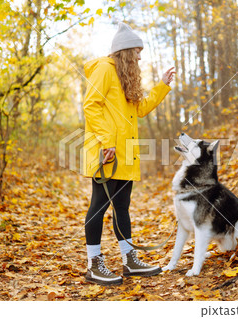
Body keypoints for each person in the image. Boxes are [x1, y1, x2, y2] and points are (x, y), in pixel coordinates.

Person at [82, 22, 175, 286]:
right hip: (106, 152)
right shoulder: (103, 69)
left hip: (126, 153)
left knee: (122, 207)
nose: (140, 56)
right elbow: (91, 106)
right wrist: (105, 141)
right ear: (124, 51)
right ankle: (94, 264)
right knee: (99, 206)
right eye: (137, 50)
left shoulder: (126, 77)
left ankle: (129, 260)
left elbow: (141, 108)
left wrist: (162, 86)